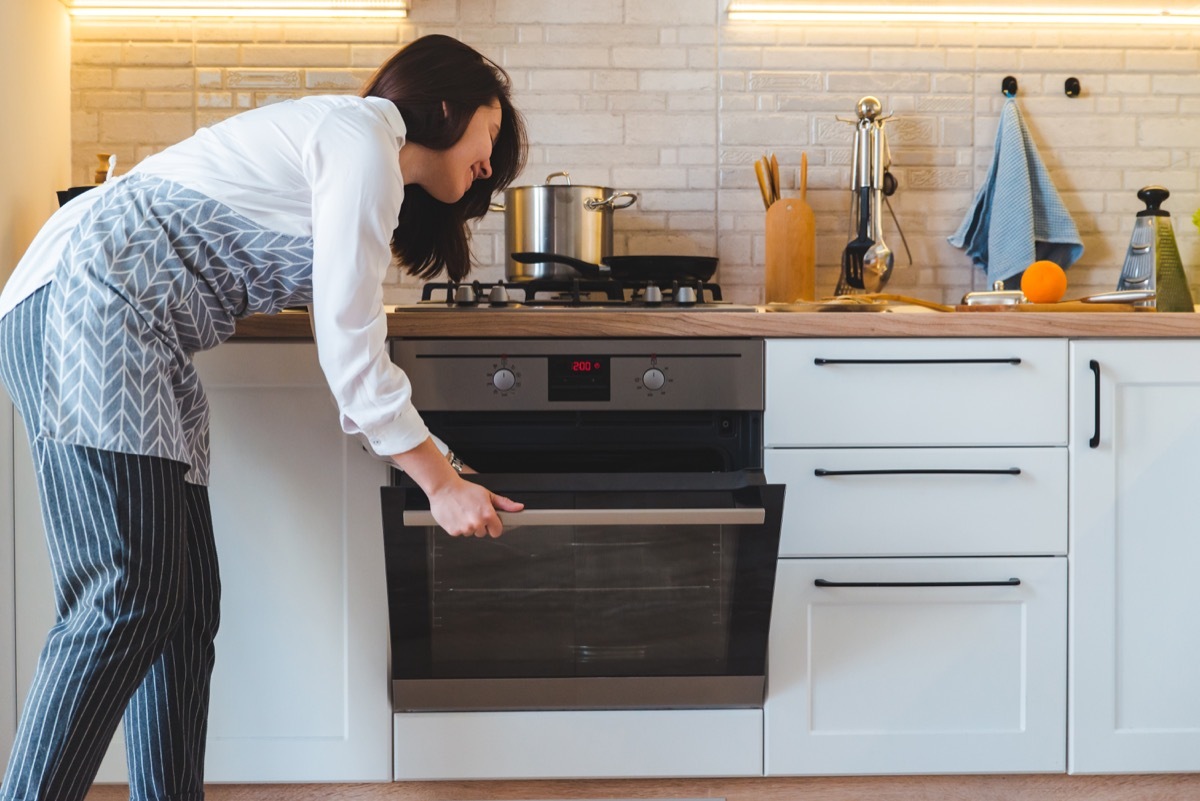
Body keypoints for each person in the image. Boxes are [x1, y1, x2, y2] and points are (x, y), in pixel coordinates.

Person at [0, 33, 526, 801]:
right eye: (491, 131)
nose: (490, 161)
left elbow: (348, 341)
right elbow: (351, 351)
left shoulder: (361, 155)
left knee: (182, 607)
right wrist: (439, 483)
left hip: (133, 330)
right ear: (447, 106)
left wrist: (439, 464)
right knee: (125, 595)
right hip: (89, 306)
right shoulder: (361, 138)